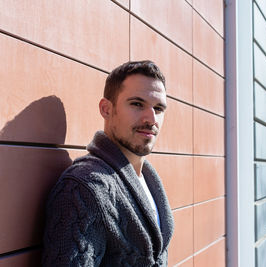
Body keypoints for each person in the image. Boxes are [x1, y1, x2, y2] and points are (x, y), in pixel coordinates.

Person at [42, 61, 174, 266]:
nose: (151, 118)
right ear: (106, 109)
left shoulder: (148, 179)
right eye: (137, 104)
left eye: (158, 108)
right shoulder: (83, 187)